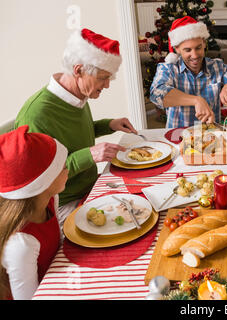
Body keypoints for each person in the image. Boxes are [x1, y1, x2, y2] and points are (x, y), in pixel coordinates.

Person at [15, 28, 137, 225]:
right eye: (103, 77)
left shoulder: (76, 94)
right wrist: (90, 155)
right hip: (60, 202)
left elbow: (76, 134)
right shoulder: (38, 114)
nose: (106, 85)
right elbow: (41, 180)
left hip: (89, 185)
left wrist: (109, 125)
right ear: (78, 70)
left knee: (139, 196)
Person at [150, 16, 227, 128]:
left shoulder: (217, 67)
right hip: (178, 137)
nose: (195, 55)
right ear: (177, 49)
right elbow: (156, 94)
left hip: (211, 137)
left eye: (198, 48)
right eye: (188, 50)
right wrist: (196, 100)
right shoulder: (168, 69)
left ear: (204, 43)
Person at [0, 126, 68, 300]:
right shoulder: (21, 244)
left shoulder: (50, 199)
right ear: (41, 183)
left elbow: (57, 246)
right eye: (61, 166)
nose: (67, 169)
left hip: (56, 279)